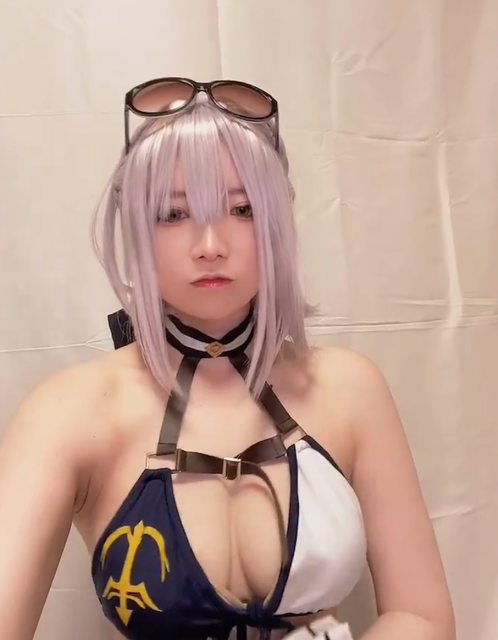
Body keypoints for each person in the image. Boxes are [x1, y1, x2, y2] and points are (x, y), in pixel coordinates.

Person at [0, 77, 455, 640]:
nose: (211, 244)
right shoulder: (67, 413)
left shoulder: (349, 388)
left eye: (242, 209)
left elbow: (422, 616)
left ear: (278, 221)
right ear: (135, 227)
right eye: (173, 214)